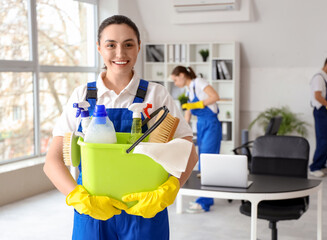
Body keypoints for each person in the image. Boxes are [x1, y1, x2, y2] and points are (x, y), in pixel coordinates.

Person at [44, 15, 198, 240]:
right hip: (93, 210)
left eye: (128, 44)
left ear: (138, 47)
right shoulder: (82, 96)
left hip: (145, 209)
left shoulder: (157, 95)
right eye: (110, 45)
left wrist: (170, 189)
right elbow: (52, 161)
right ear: (99, 48)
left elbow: (188, 152)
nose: (120, 53)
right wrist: (78, 197)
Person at [171, 66, 222, 213]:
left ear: (181, 75)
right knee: (202, 160)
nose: (175, 83)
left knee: (207, 161)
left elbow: (215, 97)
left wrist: (197, 104)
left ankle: (204, 202)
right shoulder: (189, 90)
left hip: (210, 124)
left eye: (175, 80)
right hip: (201, 124)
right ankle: (205, 198)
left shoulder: (198, 82)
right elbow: (187, 114)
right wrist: (182, 132)